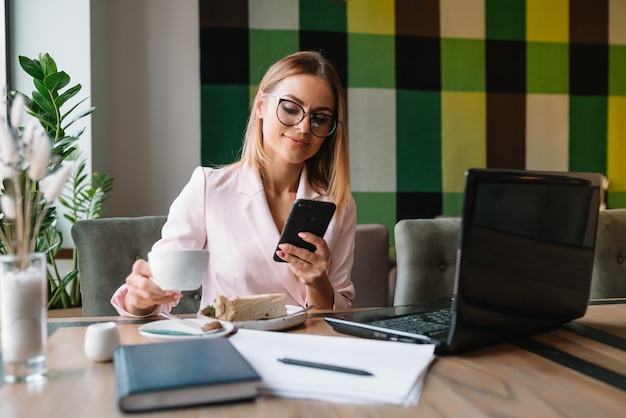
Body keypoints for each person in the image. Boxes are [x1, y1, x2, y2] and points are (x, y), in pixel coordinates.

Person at [111, 50, 356, 317]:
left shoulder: (338, 204)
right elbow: (160, 288)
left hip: (306, 346)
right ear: (261, 105)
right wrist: (141, 296)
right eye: (290, 108)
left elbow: (341, 308)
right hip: (228, 346)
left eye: (319, 118)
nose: (303, 126)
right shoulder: (208, 188)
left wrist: (318, 282)